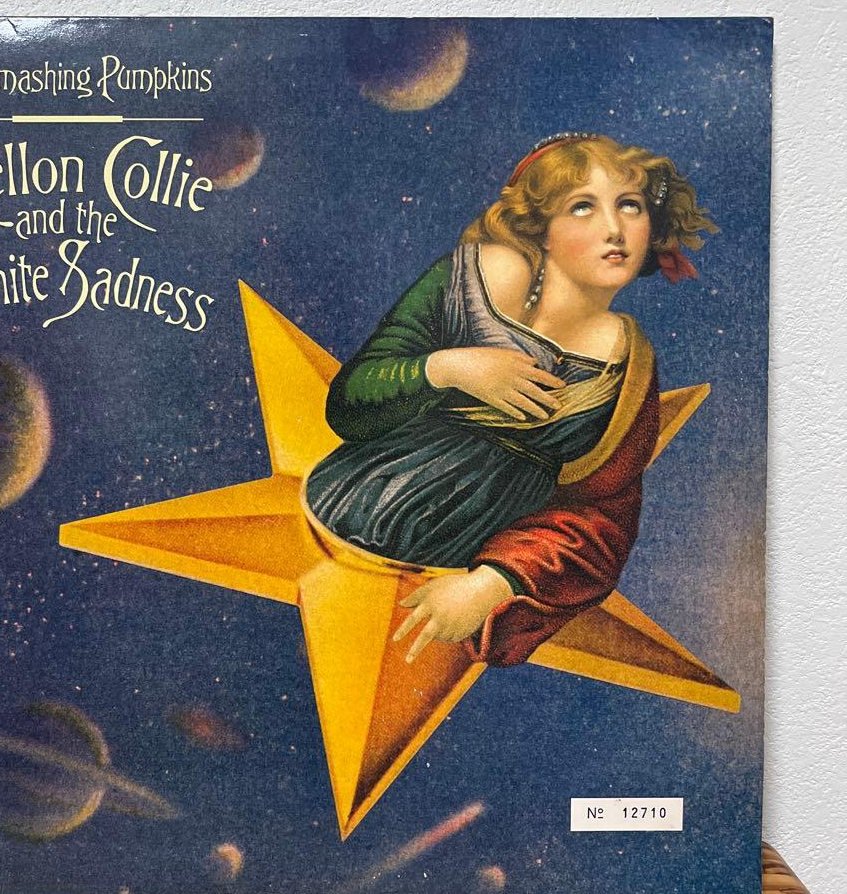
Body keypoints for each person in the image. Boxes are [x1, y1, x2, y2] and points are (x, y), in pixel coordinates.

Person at [303, 133, 717, 667]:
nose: (614, 229)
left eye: (630, 206)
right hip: (334, 525)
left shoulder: (630, 366)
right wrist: (450, 368)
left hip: (453, 584)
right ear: (540, 226)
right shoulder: (469, 280)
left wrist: (492, 585)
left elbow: (602, 518)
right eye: (583, 206)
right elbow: (349, 404)